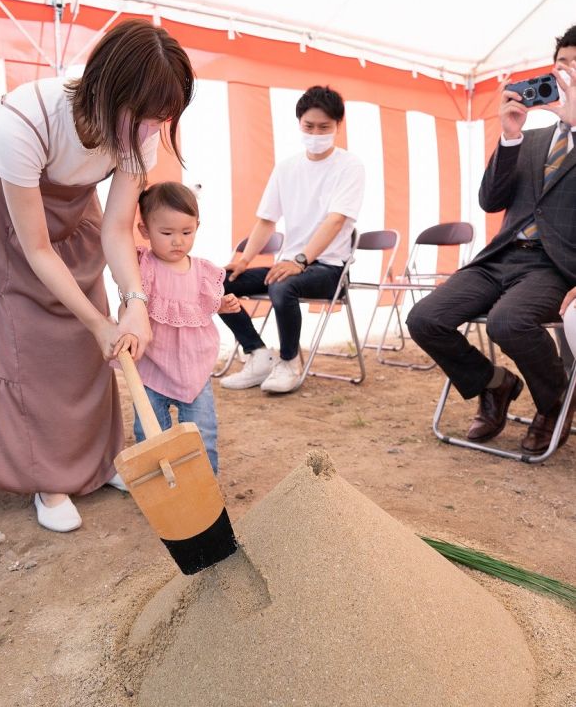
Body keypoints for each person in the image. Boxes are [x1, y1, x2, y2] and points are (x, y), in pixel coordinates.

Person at [0, 20, 195, 532]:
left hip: (75, 221)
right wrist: (97, 321)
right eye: (144, 116)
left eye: (163, 117)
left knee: (89, 346)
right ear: (103, 90)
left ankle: (97, 462)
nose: (153, 129)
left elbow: (116, 228)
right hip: (13, 227)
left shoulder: (143, 131)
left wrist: (132, 302)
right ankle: (48, 479)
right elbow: (36, 249)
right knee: (34, 344)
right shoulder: (23, 121)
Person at [407, 24, 576, 457]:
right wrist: (510, 135)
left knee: (508, 322)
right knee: (425, 318)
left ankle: (555, 400)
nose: (567, 76)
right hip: (501, 257)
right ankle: (495, 384)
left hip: (553, 266)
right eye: (562, 66)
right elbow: (490, 200)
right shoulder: (531, 138)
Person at [218, 85, 365, 394]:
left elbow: (335, 219)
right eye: (309, 126)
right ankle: (257, 354)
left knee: (281, 285)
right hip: (289, 265)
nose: (316, 132)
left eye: (324, 127)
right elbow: (267, 220)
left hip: (328, 269)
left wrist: (300, 261)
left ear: (338, 125)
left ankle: (289, 362)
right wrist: (243, 262)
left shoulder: (350, 166)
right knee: (216, 283)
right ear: (299, 124)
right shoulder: (286, 168)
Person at [130, 181, 240, 473]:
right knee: (149, 434)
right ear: (145, 231)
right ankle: (161, 490)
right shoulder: (143, 266)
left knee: (202, 431)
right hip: (152, 367)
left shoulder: (203, 271)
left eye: (186, 232)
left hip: (194, 368)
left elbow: (204, 306)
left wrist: (223, 304)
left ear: (197, 227)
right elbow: (131, 300)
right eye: (166, 233)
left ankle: (205, 488)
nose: (177, 241)